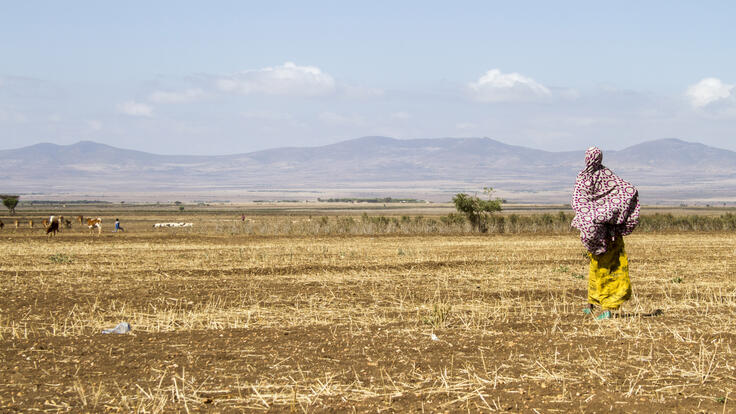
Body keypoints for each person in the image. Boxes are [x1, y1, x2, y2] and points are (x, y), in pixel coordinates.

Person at [571, 147, 640, 320]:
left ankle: (607, 308)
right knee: (604, 267)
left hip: (596, 232)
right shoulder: (607, 176)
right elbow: (629, 190)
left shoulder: (583, 177)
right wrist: (605, 213)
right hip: (607, 232)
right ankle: (594, 304)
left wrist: (591, 216)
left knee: (602, 267)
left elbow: (579, 202)